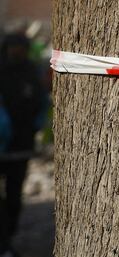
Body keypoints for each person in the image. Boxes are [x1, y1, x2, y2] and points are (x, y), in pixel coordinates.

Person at [0, 33, 47, 256]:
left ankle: (8, 238)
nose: (15, 52)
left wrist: (36, 126)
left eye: (19, 47)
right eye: (12, 47)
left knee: (14, 193)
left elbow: (42, 104)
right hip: (2, 144)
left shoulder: (32, 72)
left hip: (21, 144)